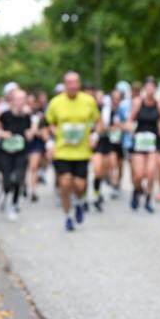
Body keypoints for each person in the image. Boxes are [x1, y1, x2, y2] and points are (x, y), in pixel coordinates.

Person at [45, 71, 101, 231]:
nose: (73, 86)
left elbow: (99, 122)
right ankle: (67, 216)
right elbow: (47, 123)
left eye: (75, 83)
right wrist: (51, 142)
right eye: (69, 83)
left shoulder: (88, 101)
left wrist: (94, 136)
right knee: (65, 183)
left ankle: (79, 203)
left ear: (79, 84)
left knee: (80, 185)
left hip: (82, 151)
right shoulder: (55, 103)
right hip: (62, 151)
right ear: (64, 85)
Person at [0, 89, 37, 221]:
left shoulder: (27, 114)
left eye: (23, 99)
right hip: (5, 151)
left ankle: (14, 204)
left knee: (18, 178)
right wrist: (1, 134)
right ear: (11, 100)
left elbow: (33, 127)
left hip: (21, 152)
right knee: (7, 181)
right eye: (18, 99)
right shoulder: (4, 114)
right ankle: (5, 193)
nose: (21, 102)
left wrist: (31, 132)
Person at [127, 77, 160, 212]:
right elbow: (130, 119)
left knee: (150, 173)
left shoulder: (159, 104)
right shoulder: (137, 102)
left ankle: (148, 198)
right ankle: (136, 190)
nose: (150, 89)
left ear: (155, 89)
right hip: (139, 141)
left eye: (152, 87)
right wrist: (129, 126)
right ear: (144, 89)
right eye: (148, 87)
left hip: (153, 142)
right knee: (138, 174)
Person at [26, 93, 49, 202]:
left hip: (36, 144)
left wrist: (37, 133)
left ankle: (33, 191)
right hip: (22, 144)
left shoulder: (39, 115)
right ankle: (22, 186)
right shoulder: (21, 114)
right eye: (28, 102)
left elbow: (44, 130)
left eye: (32, 102)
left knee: (33, 167)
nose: (30, 105)